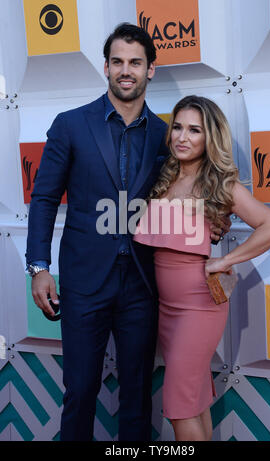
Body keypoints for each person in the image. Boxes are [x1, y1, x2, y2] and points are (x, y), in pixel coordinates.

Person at [25, 24, 228, 441]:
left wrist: (216, 232)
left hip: (143, 282)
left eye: (135, 62)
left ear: (150, 70)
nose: (126, 70)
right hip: (83, 282)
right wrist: (39, 267)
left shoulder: (165, 135)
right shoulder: (70, 125)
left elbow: (196, 186)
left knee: (138, 395)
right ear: (106, 67)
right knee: (80, 390)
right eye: (118, 61)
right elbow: (44, 199)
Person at [134, 95, 270, 441]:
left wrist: (225, 260)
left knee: (179, 404)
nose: (182, 137)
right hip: (166, 308)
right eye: (177, 127)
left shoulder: (219, 184)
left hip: (199, 306)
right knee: (194, 399)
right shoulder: (163, 178)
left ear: (210, 138)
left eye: (194, 130)